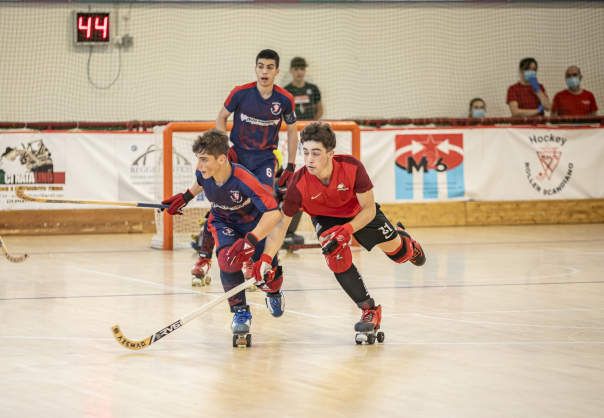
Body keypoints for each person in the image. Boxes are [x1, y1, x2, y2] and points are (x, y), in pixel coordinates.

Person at [253, 122, 427, 344]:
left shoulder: (352, 167)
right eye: (305, 153)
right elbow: (281, 226)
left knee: (401, 255)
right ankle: (369, 309)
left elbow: (370, 209)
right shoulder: (297, 184)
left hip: (359, 214)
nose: (309, 160)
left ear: (330, 154)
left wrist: (347, 230)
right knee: (334, 254)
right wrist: (266, 258)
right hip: (325, 220)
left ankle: (405, 241)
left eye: (316, 153)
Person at [161, 129, 283, 347]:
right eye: (198, 159)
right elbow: (199, 181)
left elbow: (274, 213)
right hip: (223, 222)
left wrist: (252, 240)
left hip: (252, 227)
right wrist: (185, 197)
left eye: (204, 160)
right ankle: (240, 313)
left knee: (270, 278)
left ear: (222, 159)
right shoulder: (204, 174)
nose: (199, 166)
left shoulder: (245, 180)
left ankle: (274, 292)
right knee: (227, 261)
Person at [189, 49, 298, 287]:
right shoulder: (240, 93)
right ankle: (205, 257)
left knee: (264, 206)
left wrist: (291, 163)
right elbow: (221, 118)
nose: (265, 71)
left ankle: (252, 260)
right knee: (223, 204)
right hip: (236, 154)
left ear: (277, 71)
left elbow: (292, 131)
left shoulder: (285, 99)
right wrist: (222, 150)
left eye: (270, 67)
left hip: (264, 160)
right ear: (255, 69)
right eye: (261, 66)